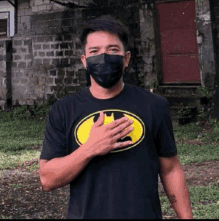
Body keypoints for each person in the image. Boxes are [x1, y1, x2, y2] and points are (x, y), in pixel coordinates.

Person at [39, 15, 193, 219]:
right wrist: (89, 149)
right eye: (95, 51)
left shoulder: (154, 105)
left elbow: (170, 169)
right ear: (84, 61)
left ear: (126, 59)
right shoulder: (63, 110)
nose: (103, 57)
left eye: (112, 50)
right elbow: (48, 179)